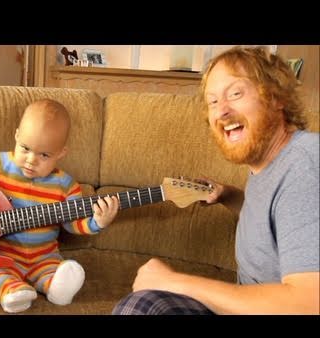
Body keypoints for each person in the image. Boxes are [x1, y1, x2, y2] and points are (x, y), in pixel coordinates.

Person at [112, 46, 319, 315]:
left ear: (276, 97)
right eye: (212, 101)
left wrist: (174, 282)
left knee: (143, 306)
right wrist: (229, 196)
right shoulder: (268, 164)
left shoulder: (305, 166)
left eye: (235, 93)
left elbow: (310, 302)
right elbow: (279, 221)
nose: (221, 111)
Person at [0, 99, 119, 313]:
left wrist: (97, 221)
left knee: (55, 271)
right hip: (0, 254)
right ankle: (12, 292)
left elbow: (73, 224)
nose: (31, 160)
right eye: (25, 148)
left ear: (61, 153)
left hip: (44, 257)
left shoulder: (66, 186)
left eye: (44, 155)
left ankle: (56, 288)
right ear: (16, 136)